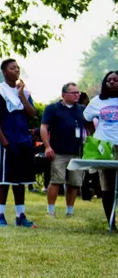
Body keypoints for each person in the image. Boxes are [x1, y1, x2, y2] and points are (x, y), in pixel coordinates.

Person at [0, 59, 38, 228]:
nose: (16, 70)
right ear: (4, 72)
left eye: (18, 68)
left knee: (20, 180)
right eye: (12, 68)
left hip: (23, 140)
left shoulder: (24, 92)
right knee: (3, 180)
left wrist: (22, 95)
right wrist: (4, 141)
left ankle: (20, 215)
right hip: (7, 141)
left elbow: (32, 114)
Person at [41, 82, 86, 217]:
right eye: (73, 93)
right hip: (58, 152)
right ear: (64, 94)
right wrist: (47, 146)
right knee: (56, 181)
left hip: (77, 153)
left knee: (74, 183)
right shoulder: (53, 108)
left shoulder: (82, 109)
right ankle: (50, 210)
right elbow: (44, 127)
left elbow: (90, 127)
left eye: (78, 92)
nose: (77, 95)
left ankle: (70, 211)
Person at [84, 71, 118, 221]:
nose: (111, 82)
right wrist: (94, 134)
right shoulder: (98, 101)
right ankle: (111, 221)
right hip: (106, 147)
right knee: (107, 185)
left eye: (115, 80)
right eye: (108, 80)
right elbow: (86, 117)